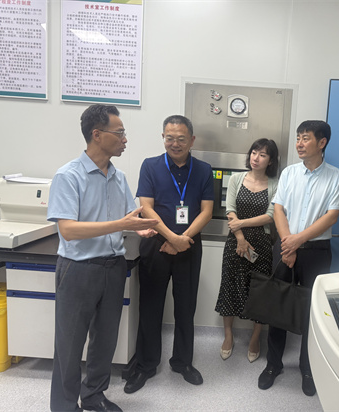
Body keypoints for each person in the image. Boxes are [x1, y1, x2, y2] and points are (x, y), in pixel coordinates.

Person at [47, 104, 158, 412]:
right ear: (97, 135)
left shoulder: (118, 177)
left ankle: (94, 395)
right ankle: (64, 406)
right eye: (119, 133)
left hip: (113, 267)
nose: (125, 139)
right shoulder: (68, 176)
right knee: (69, 344)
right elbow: (68, 230)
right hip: (78, 268)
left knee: (105, 339)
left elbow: (128, 215)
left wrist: (140, 228)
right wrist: (121, 224)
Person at [124, 115, 214, 394]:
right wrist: (172, 238)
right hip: (155, 245)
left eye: (181, 139)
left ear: (192, 140)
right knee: (150, 306)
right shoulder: (150, 166)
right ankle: (146, 365)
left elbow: (207, 211)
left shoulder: (203, 170)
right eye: (169, 138)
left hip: (189, 246)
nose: (175, 143)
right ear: (163, 137)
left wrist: (182, 240)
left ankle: (182, 362)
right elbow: (146, 207)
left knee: (186, 308)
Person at [258, 120, 339, 396]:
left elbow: (331, 217)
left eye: (305, 138)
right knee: (278, 305)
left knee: (313, 312)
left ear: (322, 142)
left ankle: (307, 368)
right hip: (285, 247)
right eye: (298, 137)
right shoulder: (289, 173)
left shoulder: (336, 177)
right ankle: (273, 364)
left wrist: (297, 241)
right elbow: (279, 209)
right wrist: (289, 244)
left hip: (316, 252)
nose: (299, 143)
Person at [214, 139, 279, 363]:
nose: (256, 158)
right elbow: (230, 210)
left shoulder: (276, 184)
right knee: (229, 286)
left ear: (271, 160)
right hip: (235, 242)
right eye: (254, 152)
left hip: (262, 243)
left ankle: (255, 337)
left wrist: (241, 223)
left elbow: (270, 216)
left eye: (262, 154)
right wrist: (240, 237)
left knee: (259, 292)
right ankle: (228, 336)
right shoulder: (236, 179)